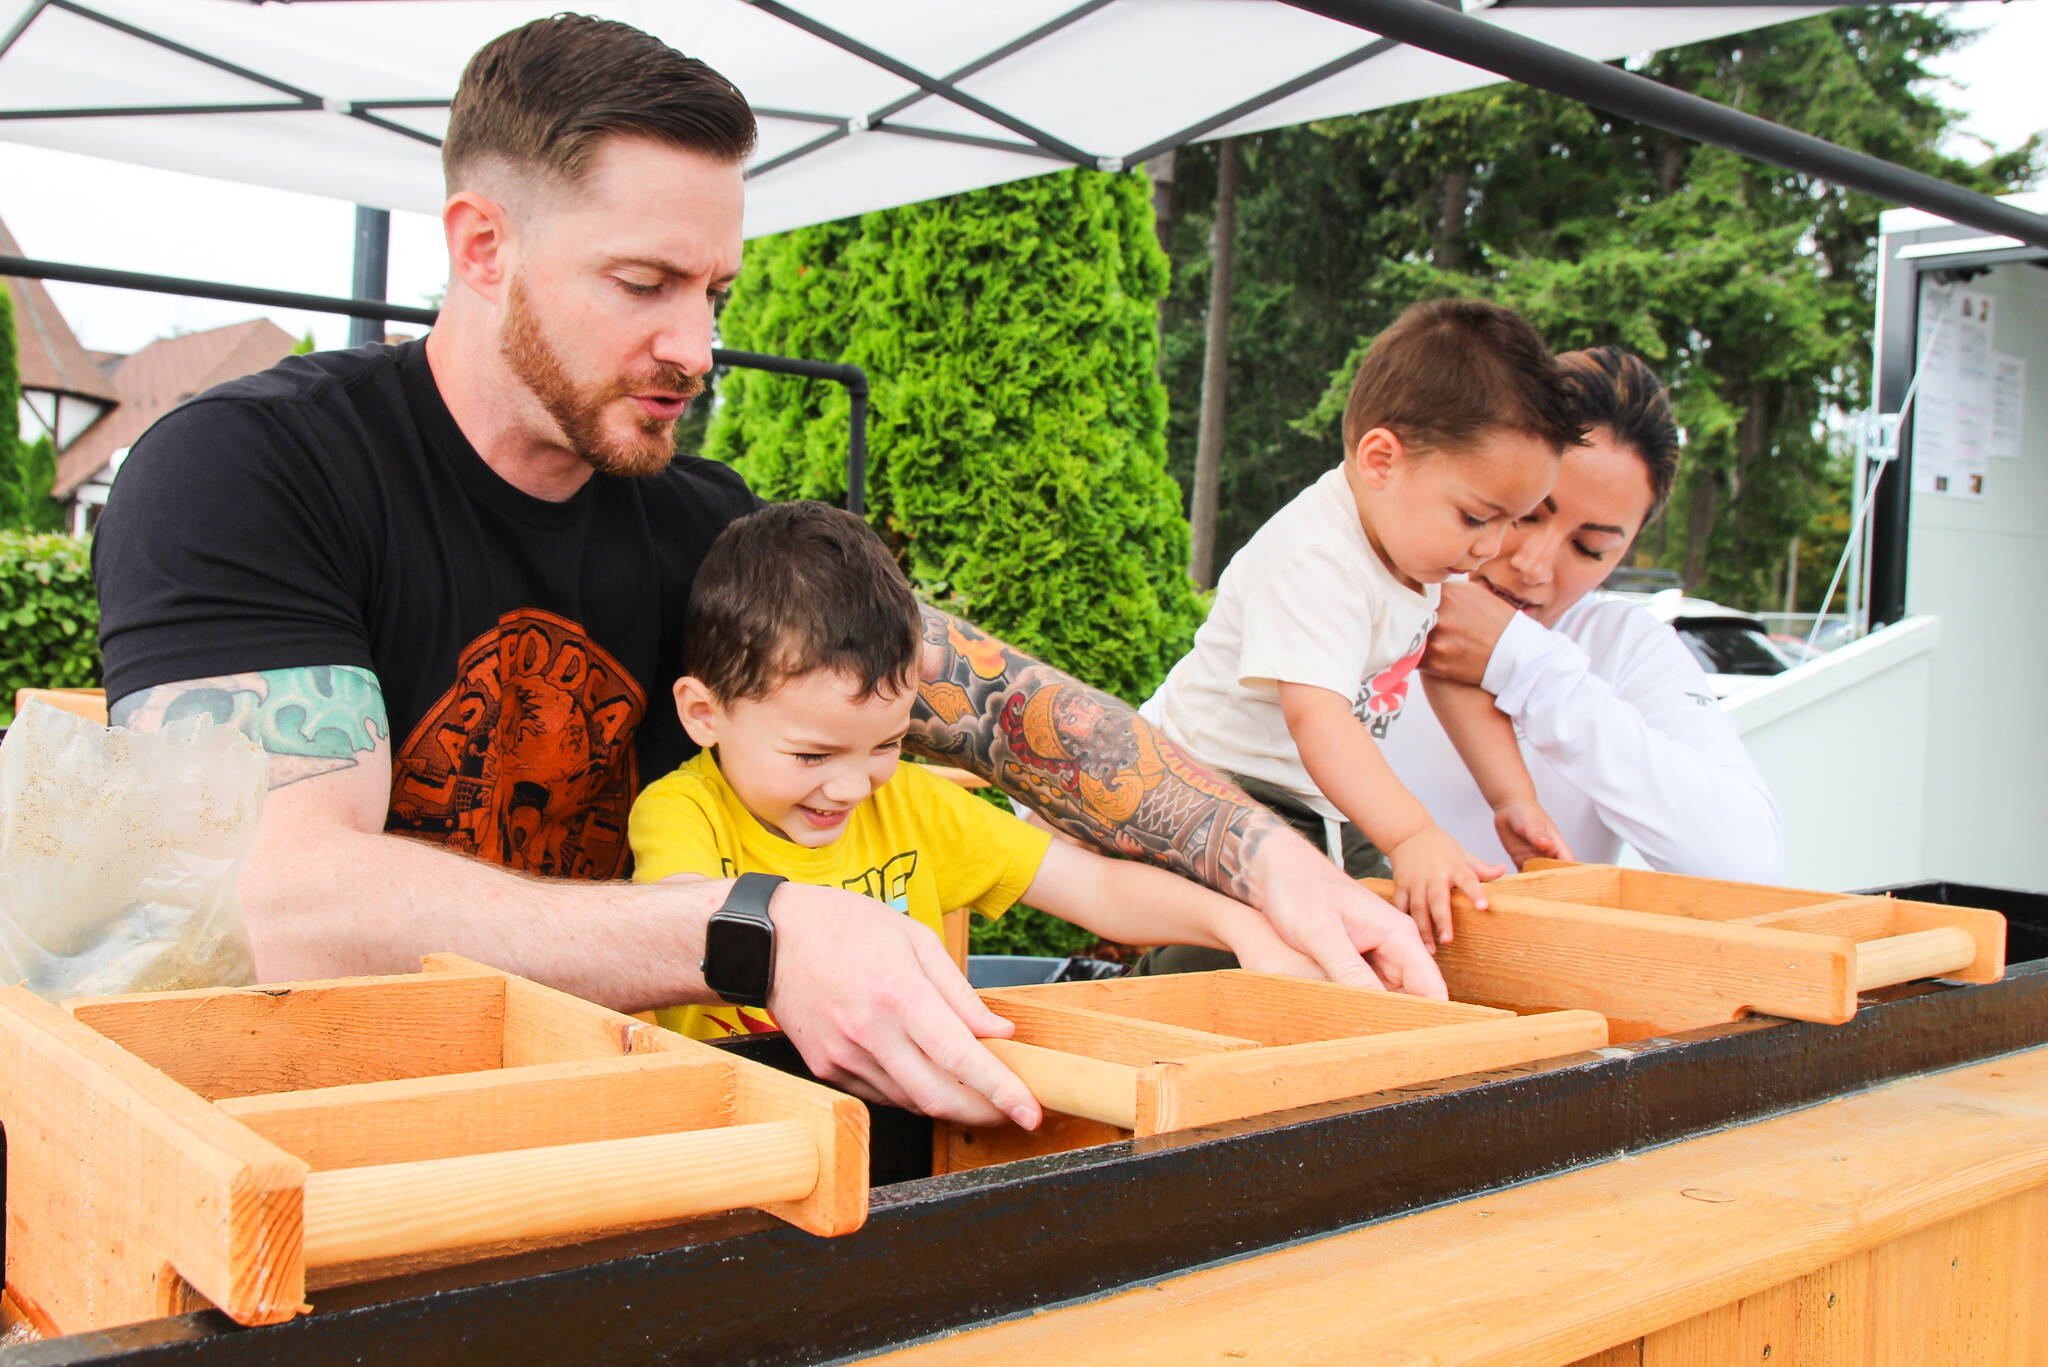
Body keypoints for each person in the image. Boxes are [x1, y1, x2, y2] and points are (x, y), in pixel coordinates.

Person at [89, 14, 1443, 1131]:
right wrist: (753, 928)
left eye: (718, 294)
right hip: (301, 1147)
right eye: (645, 283)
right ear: (483, 247)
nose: (697, 344)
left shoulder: (699, 523)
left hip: (624, 1145)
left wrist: (1272, 864)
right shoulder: (248, 471)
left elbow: (1001, 704)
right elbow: (275, 899)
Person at [629, 502, 1322, 1039]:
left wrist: (1243, 928)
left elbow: (1096, 886)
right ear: (703, 712)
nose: (850, 787)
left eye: (885, 745)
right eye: (811, 755)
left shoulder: (910, 806)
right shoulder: (682, 814)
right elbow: (682, 920)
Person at [1141, 299, 1582, 946]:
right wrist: (1410, 834)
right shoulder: (1319, 562)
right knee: (1267, 939)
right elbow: (1317, 719)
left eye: (1512, 520)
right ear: (1381, 460)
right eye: (1476, 517)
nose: (1493, 547)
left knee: (1410, 916)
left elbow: (1447, 669)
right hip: (1209, 787)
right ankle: (1143, 992)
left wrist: (1510, 797)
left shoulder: (1417, 548)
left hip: (1306, 795)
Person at [1383, 346, 1784, 882]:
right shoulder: (1361, 594)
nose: (1533, 566)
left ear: (1629, 546)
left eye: (1589, 547)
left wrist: (1528, 667)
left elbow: (1746, 864)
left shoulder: (1623, 648)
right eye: (1524, 514)